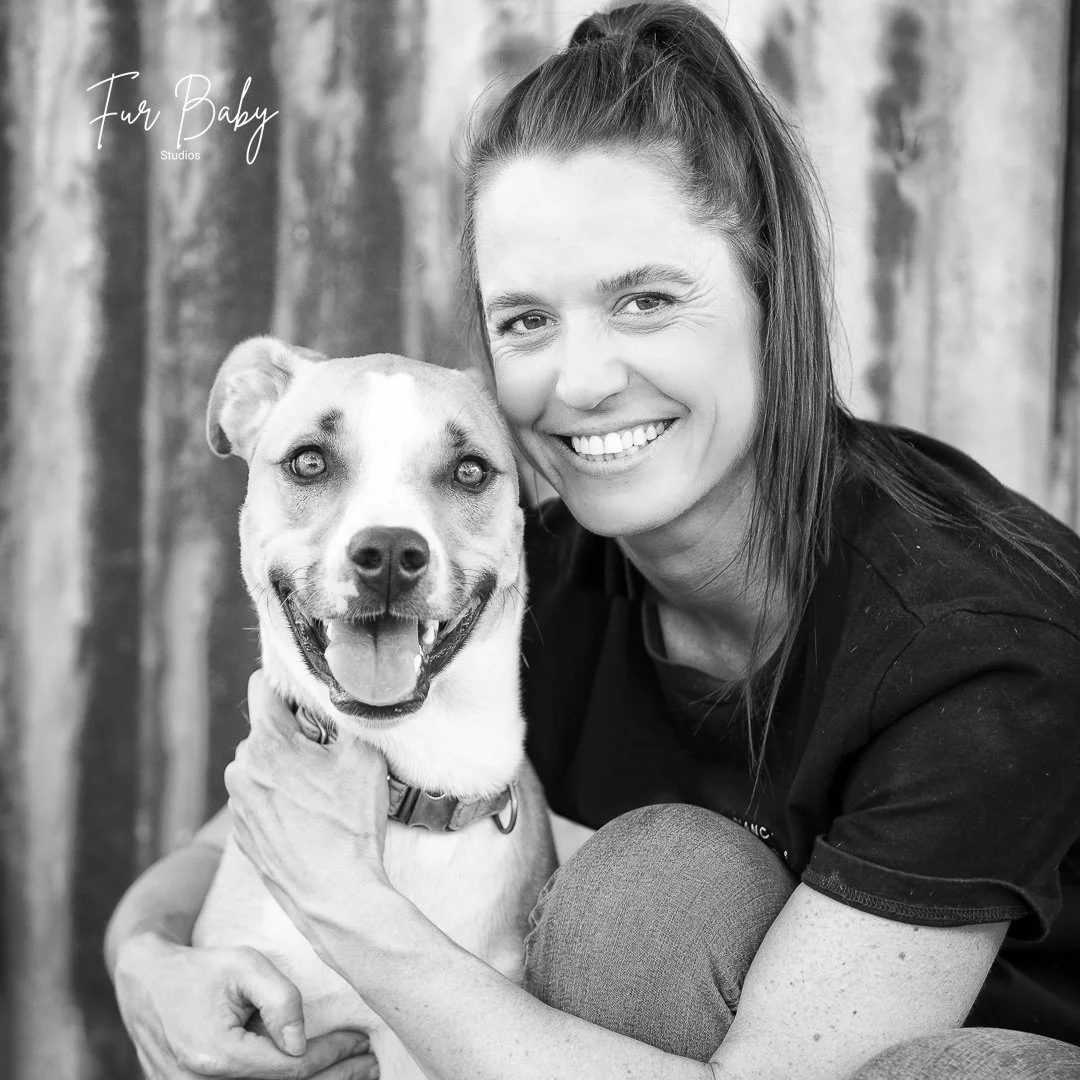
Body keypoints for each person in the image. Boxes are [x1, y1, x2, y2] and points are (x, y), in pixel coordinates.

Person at [105, 3, 1080, 1078]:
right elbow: (276, 813)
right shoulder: (528, 565)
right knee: (658, 900)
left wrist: (351, 915)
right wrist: (145, 961)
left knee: (661, 900)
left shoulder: (982, 648)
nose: (582, 380)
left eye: (646, 300)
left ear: (772, 289)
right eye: (527, 320)